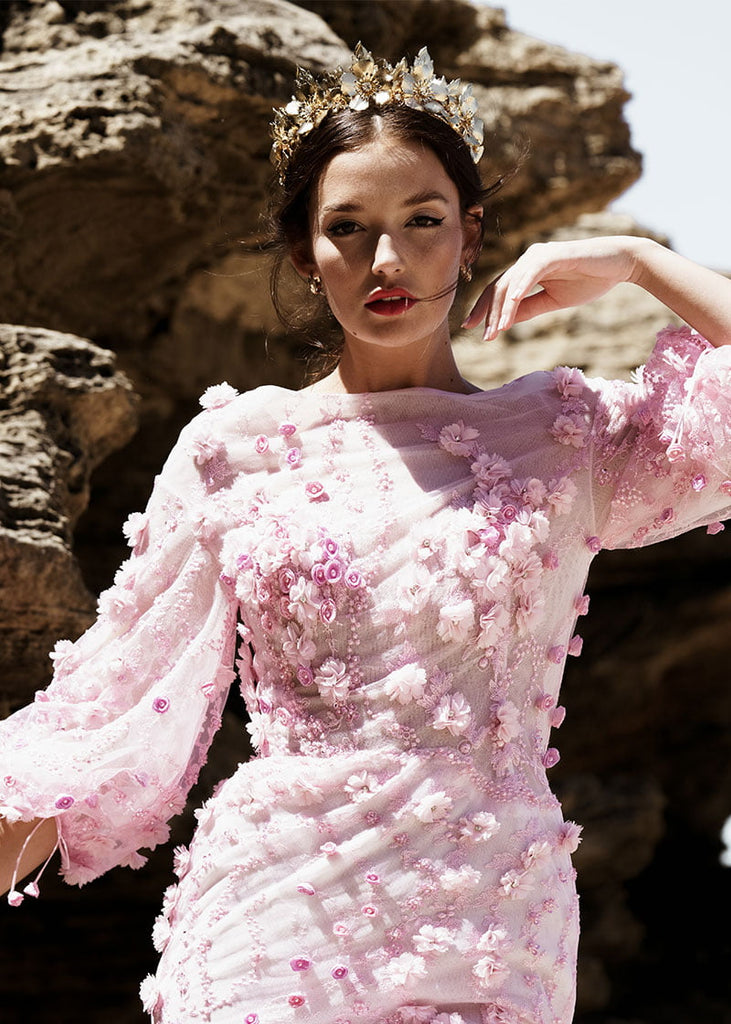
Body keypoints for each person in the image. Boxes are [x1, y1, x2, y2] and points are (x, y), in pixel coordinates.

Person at [1, 43, 730, 1024]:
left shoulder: (562, 435)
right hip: (270, 917)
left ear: (469, 236)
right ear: (304, 250)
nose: (385, 261)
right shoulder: (234, 448)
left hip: (489, 927)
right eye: (346, 229)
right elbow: (108, 699)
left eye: (421, 222)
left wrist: (635, 263)